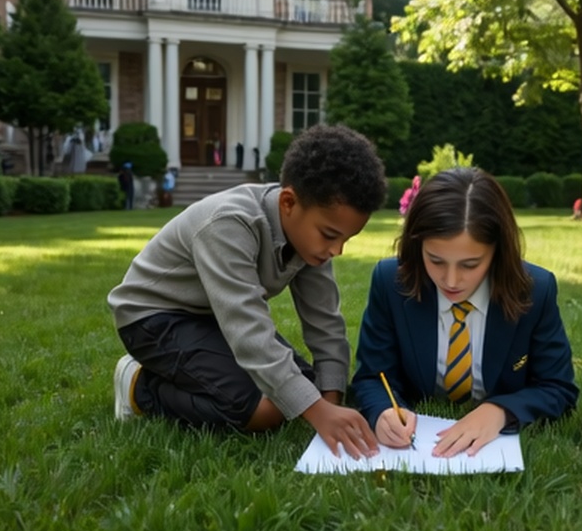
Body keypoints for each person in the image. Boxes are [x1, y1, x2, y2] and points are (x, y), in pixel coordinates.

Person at [108, 123, 385, 457]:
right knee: (265, 410)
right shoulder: (228, 223)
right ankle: (140, 386)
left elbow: (325, 322)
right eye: (329, 235)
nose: (337, 250)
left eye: (346, 239)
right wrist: (319, 413)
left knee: (304, 389)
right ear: (288, 203)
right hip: (153, 319)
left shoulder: (308, 236)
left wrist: (330, 400)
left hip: (212, 317)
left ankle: (189, 373)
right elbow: (247, 330)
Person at [352, 168, 578, 458]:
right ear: (416, 246)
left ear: (498, 252)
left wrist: (500, 412)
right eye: (435, 260)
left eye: (470, 265)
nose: (451, 280)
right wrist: (383, 410)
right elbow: (372, 376)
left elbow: (558, 388)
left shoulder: (535, 290)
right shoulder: (391, 281)